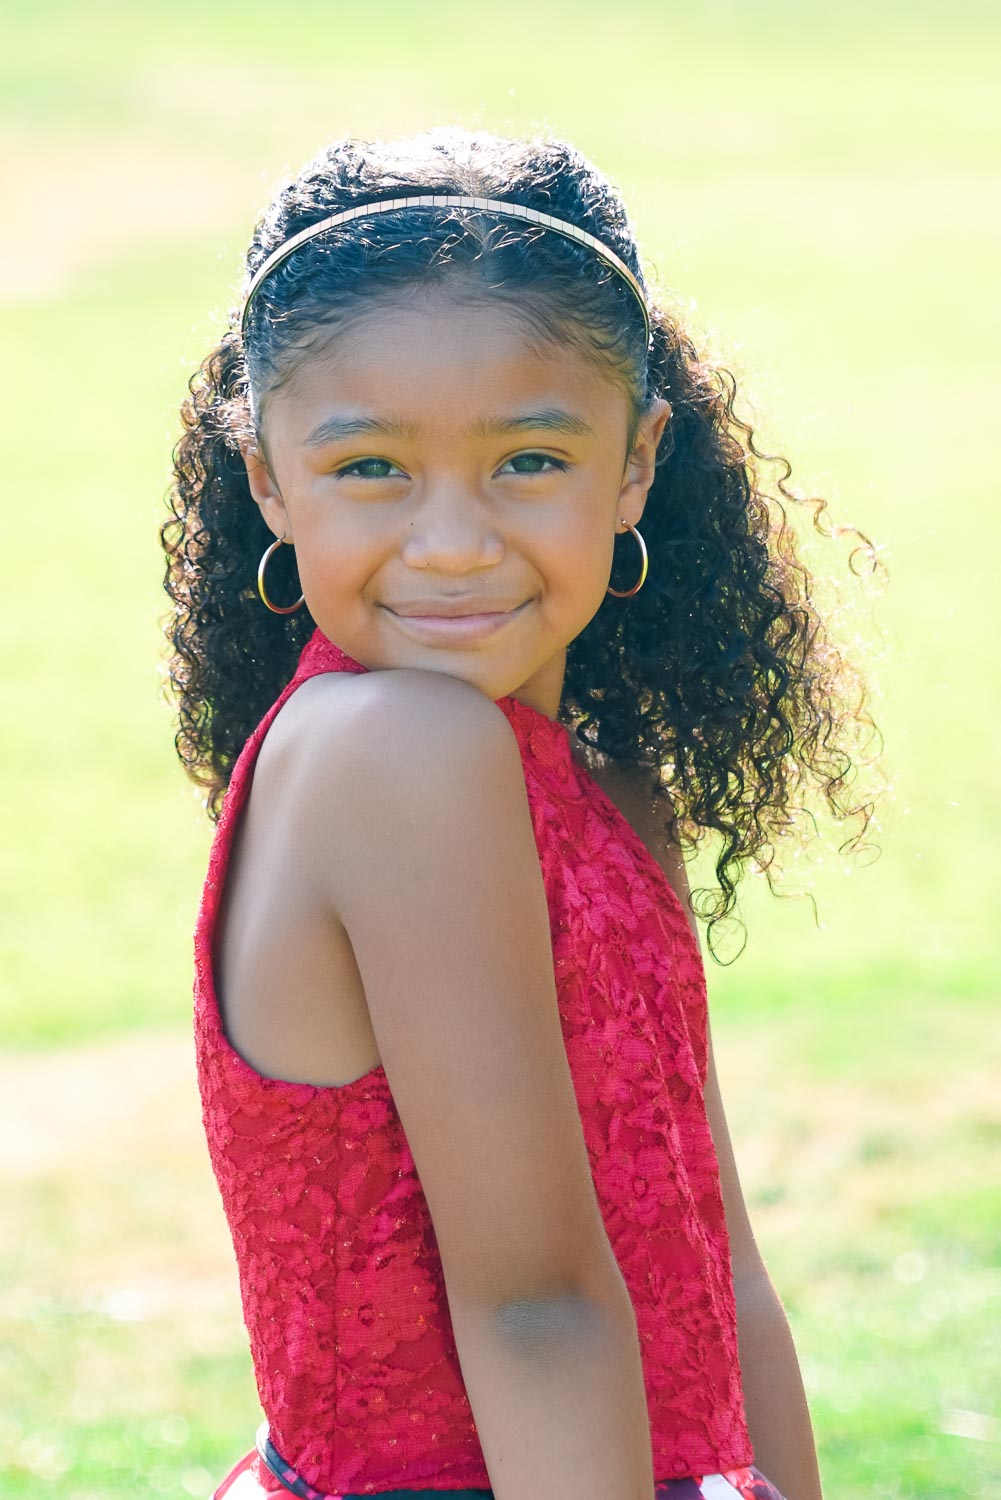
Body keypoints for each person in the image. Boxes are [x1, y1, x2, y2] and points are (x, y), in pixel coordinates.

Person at [160, 127, 878, 1500]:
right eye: (370, 467)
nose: (450, 539)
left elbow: (714, 1263)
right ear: (267, 479)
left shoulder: (601, 779)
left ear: (635, 462)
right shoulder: (392, 754)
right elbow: (533, 1306)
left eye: (530, 461)